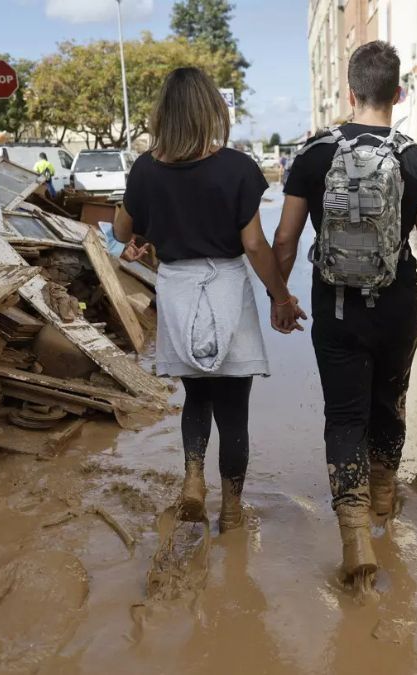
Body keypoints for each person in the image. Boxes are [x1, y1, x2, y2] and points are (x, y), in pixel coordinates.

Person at [273, 41, 417, 584]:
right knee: (390, 403)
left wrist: (280, 298)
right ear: (399, 94)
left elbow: (286, 239)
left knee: (343, 417)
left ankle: (356, 537)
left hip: (334, 308)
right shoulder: (416, 158)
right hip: (396, 309)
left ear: (350, 91)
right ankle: (383, 501)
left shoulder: (314, 155)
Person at [110, 67, 305, 532]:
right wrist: (281, 297)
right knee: (234, 410)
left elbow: (122, 232)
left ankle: (194, 481)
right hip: (227, 290)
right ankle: (232, 510)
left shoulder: (145, 169)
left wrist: (140, 224)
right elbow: (255, 246)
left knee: (196, 398)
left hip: (176, 289)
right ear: (211, 112)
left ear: (165, 116)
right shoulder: (237, 168)